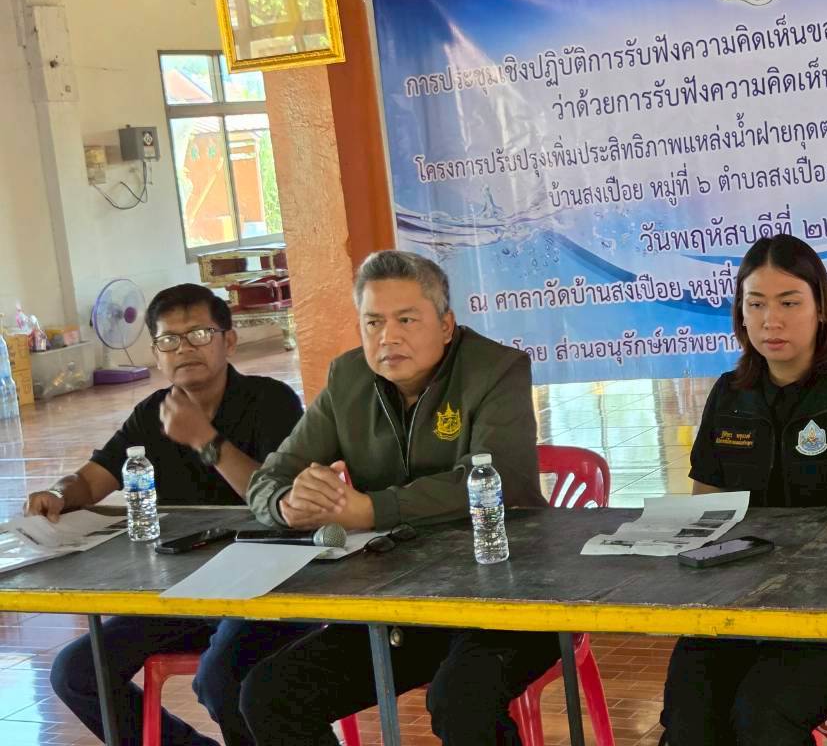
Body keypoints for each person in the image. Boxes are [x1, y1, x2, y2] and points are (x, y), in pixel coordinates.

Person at [240, 249, 559, 745]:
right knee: (270, 692)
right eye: (373, 323)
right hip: (401, 602)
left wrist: (372, 510)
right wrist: (287, 503)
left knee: (462, 701)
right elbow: (268, 478)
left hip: (507, 597)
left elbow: (505, 479)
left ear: (446, 325)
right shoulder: (348, 379)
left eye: (406, 320)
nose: (387, 337)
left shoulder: (496, 369)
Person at [660, 235, 827, 746]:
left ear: (821, 308)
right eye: (756, 304)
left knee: (762, 715)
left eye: (788, 303)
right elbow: (706, 513)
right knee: (689, 715)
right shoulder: (729, 395)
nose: (770, 321)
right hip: (738, 605)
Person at [32, 283, 308, 746]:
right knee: (76, 673)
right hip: (183, 591)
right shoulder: (152, 414)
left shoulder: (272, 400)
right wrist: (58, 494)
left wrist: (204, 439)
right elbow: (92, 480)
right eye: (168, 340)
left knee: (222, 682)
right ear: (156, 353)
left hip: (268, 588)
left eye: (199, 334)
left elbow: (279, 499)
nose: (184, 349)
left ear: (229, 340)